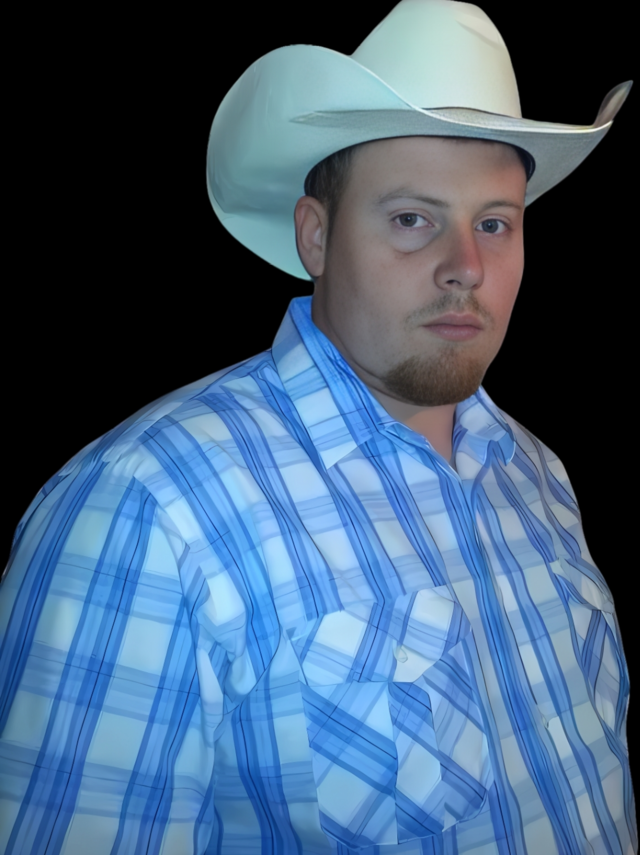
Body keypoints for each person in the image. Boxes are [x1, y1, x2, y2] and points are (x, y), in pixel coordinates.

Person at [0, 1, 635, 853]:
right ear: (316, 235)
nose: (466, 267)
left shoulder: (536, 474)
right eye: (412, 219)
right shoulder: (151, 509)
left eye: (494, 223)